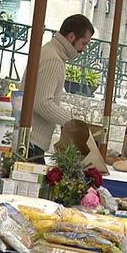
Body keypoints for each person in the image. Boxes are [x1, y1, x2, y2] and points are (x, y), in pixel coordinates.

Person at [27, 14, 95, 156]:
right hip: (32, 142)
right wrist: (74, 122)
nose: (83, 49)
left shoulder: (52, 53)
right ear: (71, 37)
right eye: (83, 43)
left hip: (31, 139)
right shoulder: (53, 59)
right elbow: (41, 103)